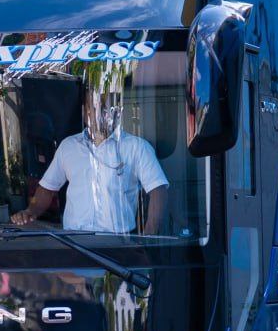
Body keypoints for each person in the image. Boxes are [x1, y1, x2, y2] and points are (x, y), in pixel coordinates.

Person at [11, 88, 169, 234]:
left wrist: (148, 239)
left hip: (119, 244)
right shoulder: (69, 146)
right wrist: (30, 211)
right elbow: (47, 188)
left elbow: (158, 191)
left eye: (105, 108)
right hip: (75, 244)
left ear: (117, 112)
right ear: (85, 111)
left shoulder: (137, 147)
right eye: (94, 107)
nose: (100, 113)